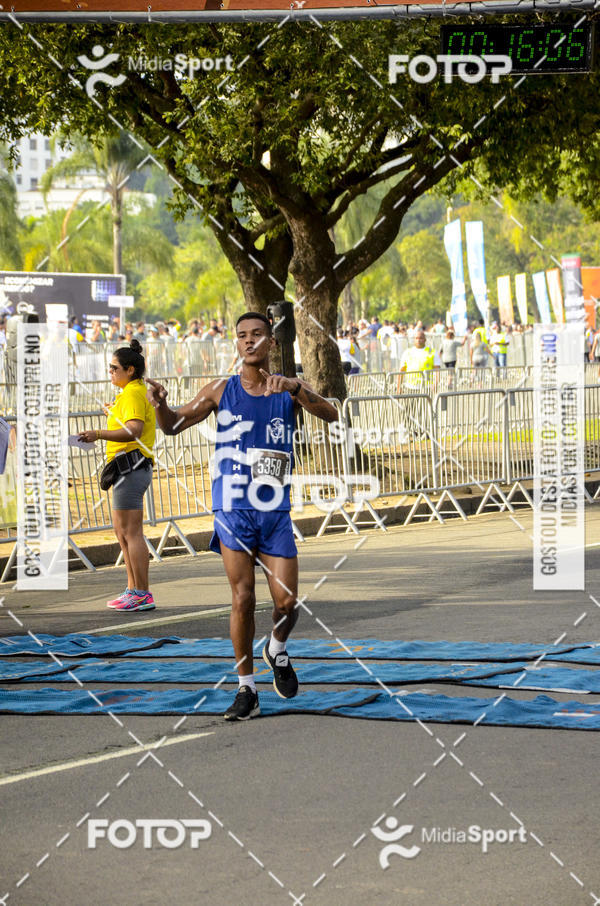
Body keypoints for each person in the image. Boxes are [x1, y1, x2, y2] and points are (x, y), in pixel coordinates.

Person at [147, 312, 338, 721]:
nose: (248, 342)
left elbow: (332, 414)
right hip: (232, 508)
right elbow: (172, 426)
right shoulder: (221, 389)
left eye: (257, 335)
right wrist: (161, 405)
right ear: (236, 343)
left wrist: (296, 387)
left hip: (273, 511)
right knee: (243, 598)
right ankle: (246, 688)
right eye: (241, 336)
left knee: (287, 603)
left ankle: (277, 648)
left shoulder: (288, 389)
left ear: (271, 342)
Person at [78, 339, 156, 612]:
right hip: (125, 468)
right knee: (122, 533)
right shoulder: (129, 393)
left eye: (114, 368)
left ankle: (142, 593)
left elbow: (134, 430)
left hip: (131, 467)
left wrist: (98, 434)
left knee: (131, 533)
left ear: (130, 370)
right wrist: (114, 413)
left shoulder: (134, 393)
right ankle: (133, 589)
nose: (110, 372)